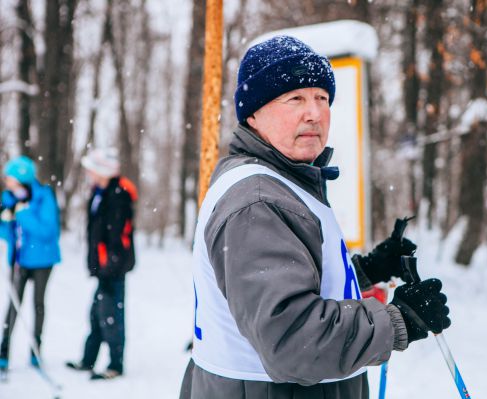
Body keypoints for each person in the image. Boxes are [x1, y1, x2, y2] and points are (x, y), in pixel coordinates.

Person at [179, 36, 451, 399]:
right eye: (295, 99)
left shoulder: (285, 181)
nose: (314, 113)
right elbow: (291, 338)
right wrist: (397, 320)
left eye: (322, 98)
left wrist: (365, 270)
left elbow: (289, 281)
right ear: (254, 113)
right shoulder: (259, 202)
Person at [66, 148, 137, 380]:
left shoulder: (117, 195)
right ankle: (88, 360)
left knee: (111, 315)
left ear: (102, 171)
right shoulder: (100, 192)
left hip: (112, 269)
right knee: (97, 313)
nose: (88, 173)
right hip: (103, 267)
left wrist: (110, 265)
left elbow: (119, 235)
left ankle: (115, 365)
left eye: (91, 169)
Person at [0, 156, 61, 375]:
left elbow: (48, 231)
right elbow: (8, 233)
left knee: (38, 304)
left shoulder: (43, 196)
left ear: (21, 178)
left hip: (43, 261)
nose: (6, 182)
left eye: (10, 178)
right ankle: (3, 353)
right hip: (19, 260)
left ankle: (35, 350)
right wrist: (4, 222)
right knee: (13, 305)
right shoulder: (7, 198)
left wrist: (22, 214)